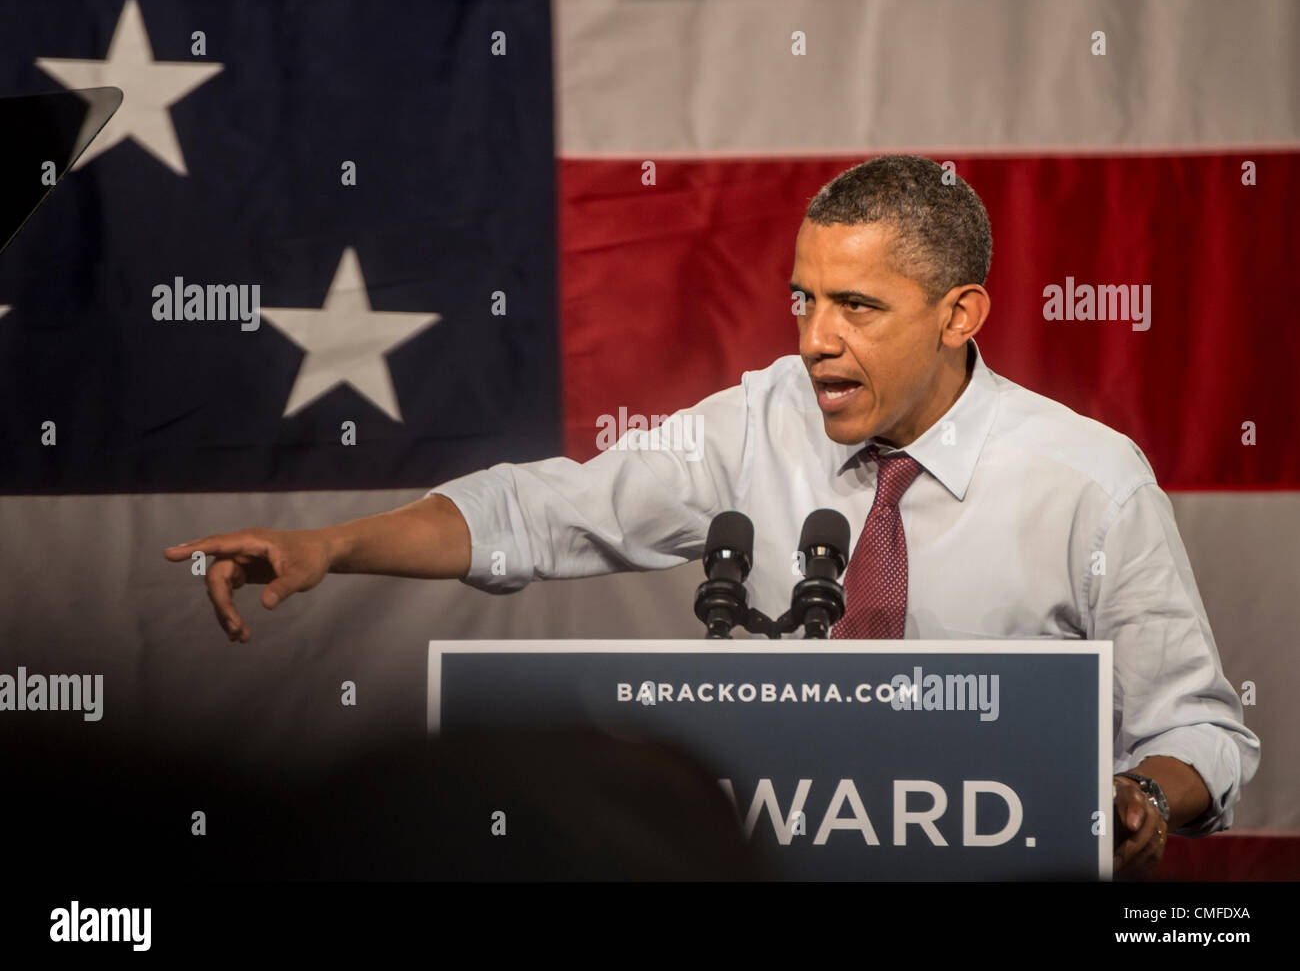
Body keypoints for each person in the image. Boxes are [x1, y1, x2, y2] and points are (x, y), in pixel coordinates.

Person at [165, 155, 1259, 879]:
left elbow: (1201, 731)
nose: (814, 339)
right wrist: (329, 545)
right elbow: (541, 513)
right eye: (802, 298)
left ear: (959, 313)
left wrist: (1136, 796)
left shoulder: (1087, 477)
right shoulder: (755, 421)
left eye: (857, 307)